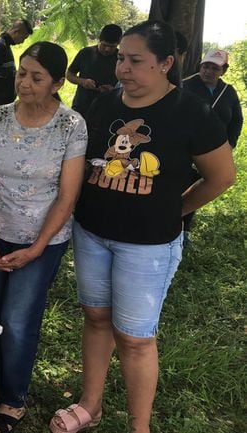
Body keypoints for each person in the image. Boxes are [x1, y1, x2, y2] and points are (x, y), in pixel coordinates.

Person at [50, 21, 235, 433]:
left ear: (166, 63)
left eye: (135, 61)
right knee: (96, 318)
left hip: (148, 245)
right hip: (92, 232)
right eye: (120, 59)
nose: (122, 69)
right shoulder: (106, 104)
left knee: (134, 338)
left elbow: (221, 177)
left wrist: (178, 210)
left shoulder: (191, 112)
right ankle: (90, 405)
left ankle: (140, 427)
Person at [0, 41, 87, 433]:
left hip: (44, 240)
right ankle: (0, 378)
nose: (24, 82)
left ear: (57, 83)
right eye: (22, 73)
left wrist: (37, 247)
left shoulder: (71, 125)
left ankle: (12, 398)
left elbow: (68, 195)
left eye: (36, 77)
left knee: (19, 320)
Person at [182, 49, 242, 149]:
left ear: (223, 71)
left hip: (218, 149)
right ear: (200, 67)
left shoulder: (228, 91)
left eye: (215, 69)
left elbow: (237, 120)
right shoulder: (184, 87)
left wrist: (231, 143)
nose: (209, 72)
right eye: (205, 67)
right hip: (187, 147)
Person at [66, 24, 122, 117]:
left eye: (112, 46)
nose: (107, 49)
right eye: (104, 45)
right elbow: (69, 74)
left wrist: (114, 91)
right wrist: (82, 81)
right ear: (99, 40)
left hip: (108, 107)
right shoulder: (86, 53)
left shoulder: (120, 58)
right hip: (82, 105)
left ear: (118, 43)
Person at [0, 19, 33, 108]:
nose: (22, 42)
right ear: (16, 32)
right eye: (23, 38)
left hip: (5, 98)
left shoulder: (6, 45)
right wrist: (15, 73)